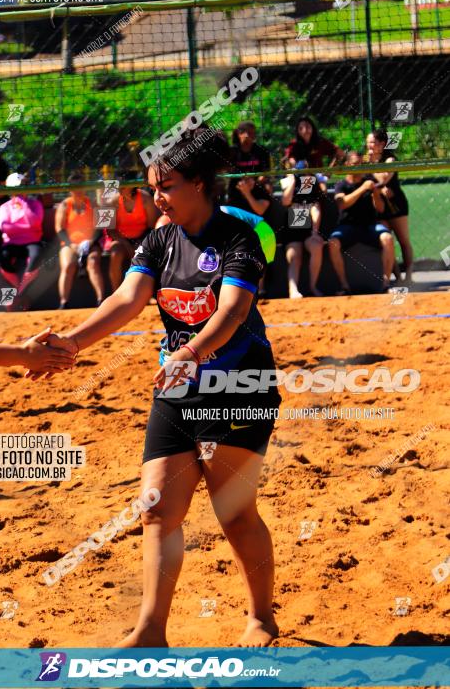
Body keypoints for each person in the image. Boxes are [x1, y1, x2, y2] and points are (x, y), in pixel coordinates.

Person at [33, 129, 282, 648]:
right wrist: (70, 344)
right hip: (176, 385)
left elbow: (233, 312)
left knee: (233, 513)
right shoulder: (159, 240)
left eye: (165, 186)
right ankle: (150, 630)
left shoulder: (239, 239)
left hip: (238, 385)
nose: (156, 198)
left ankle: (261, 617)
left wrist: (191, 353)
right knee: (156, 509)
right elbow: (125, 301)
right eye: (151, 188)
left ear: (199, 183)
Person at [328, 151, 395, 295]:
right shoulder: (341, 184)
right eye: (354, 164)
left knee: (387, 238)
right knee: (333, 243)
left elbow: (381, 208)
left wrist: (376, 193)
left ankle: (385, 284)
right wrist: (363, 188)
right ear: (346, 165)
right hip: (348, 227)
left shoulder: (369, 180)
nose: (358, 167)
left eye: (360, 164)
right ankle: (344, 286)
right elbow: (342, 204)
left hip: (369, 226)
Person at [366, 129, 413, 284]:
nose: (369, 145)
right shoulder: (365, 161)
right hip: (379, 205)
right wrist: (378, 189)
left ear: (382, 144)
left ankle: (409, 277)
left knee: (403, 241)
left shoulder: (390, 159)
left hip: (397, 204)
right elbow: (367, 183)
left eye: (372, 142)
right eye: (368, 142)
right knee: (388, 241)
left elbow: (384, 178)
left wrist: (372, 164)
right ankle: (398, 277)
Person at [99, 171, 159, 291]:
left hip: (142, 237)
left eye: (123, 185)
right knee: (116, 253)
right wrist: (126, 243)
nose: (119, 188)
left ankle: (145, 293)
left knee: (143, 253)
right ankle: (116, 292)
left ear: (132, 185)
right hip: (120, 239)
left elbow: (152, 227)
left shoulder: (146, 199)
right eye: (118, 185)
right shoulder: (112, 201)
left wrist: (140, 243)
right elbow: (109, 230)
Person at [55, 172, 105, 309]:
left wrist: (90, 242)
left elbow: (101, 227)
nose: (77, 190)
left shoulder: (93, 204)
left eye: (80, 187)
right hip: (70, 244)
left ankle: (101, 300)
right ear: (69, 189)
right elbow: (59, 229)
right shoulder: (65, 205)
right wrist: (72, 245)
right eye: (74, 187)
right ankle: (63, 302)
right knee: (68, 266)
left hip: (91, 243)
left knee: (93, 262)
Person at [0, 173, 44, 310]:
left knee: (36, 257)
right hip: (11, 243)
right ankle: (21, 294)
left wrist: (24, 205)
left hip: (32, 241)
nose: (19, 191)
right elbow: (4, 227)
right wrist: (26, 227)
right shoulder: (4, 207)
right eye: (17, 188)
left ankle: (17, 296)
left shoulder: (34, 204)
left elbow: (35, 223)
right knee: (4, 259)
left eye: (23, 186)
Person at [280, 167, 324, 299]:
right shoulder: (288, 181)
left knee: (317, 245)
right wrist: (293, 179)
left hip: (307, 228)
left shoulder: (309, 181)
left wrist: (315, 232)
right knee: (295, 255)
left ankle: (313, 287)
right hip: (291, 227)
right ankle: (293, 290)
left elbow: (315, 208)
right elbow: (285, 201)